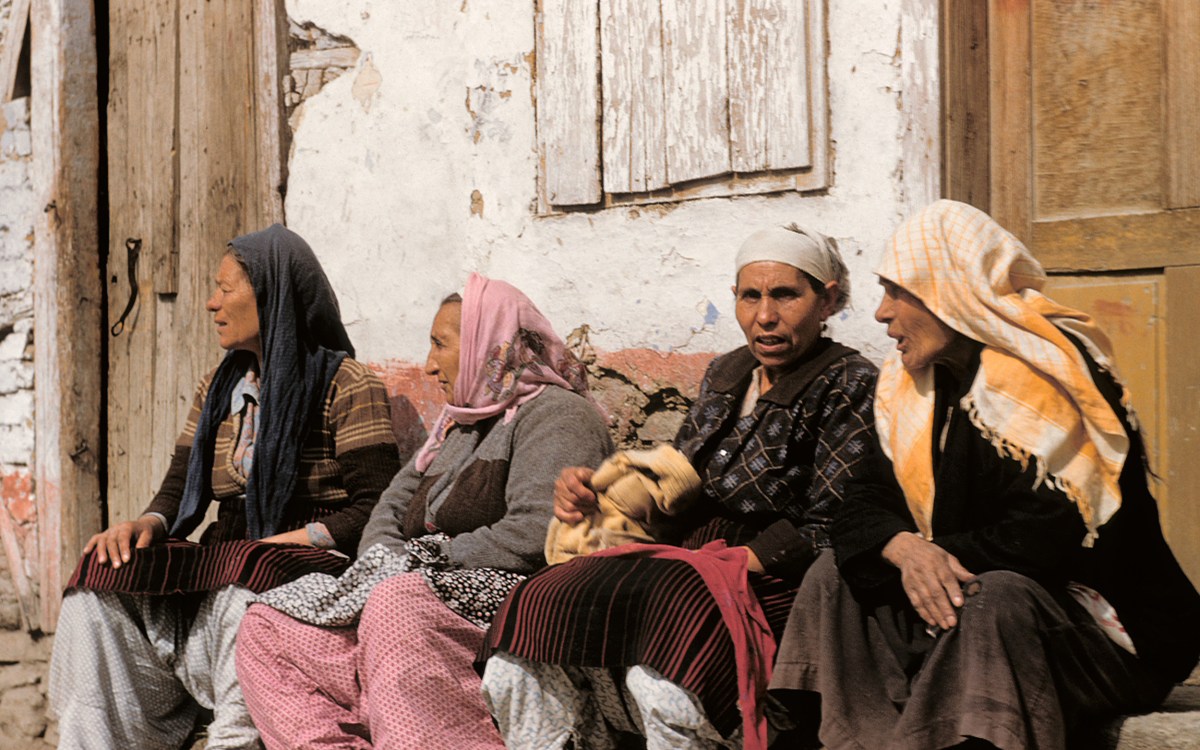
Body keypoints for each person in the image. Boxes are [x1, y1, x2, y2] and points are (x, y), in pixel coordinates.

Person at [769, 200, 1200, 749]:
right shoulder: (913, 387)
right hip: (967, 619)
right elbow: (860, 501)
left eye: (898, 291)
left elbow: (1046, 539)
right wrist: (903, 548)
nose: (881, 313)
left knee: (996, 596)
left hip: (1098, 635)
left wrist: (930, 555)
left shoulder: (1049, 376)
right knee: (834, 572)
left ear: (950, 290)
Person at [479, 224, 879, 750]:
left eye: (785, 295)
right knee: (538, 602)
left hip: (773, 572)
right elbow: (677, 480)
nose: (765, 316)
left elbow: (833, 525)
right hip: (685, 561)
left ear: (826, 300)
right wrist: (601, 498)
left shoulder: (848, 381)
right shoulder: (726, 373)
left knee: (670, 651)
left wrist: (730, 562)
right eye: (750, 296)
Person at [48, 225, 402, 749]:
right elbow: (177, 488)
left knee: (247, 585)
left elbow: (377, 509)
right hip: (230, 559)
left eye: (225, 288)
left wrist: (285, 543)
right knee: (99, 580)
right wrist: (145, 524)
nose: (212, 303)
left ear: (272, 296)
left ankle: (235, 739)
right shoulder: (218, 388)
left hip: (305, 566)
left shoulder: (349, 385)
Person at [234, 272, 613, 750]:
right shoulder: (458, 425)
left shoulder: (558, 415)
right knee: (269, 624)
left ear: (486, 343)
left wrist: (428, 560)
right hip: (414, 586)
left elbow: (536, 530)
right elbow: (390, 507)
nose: (430, 365)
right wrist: (388, 560)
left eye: (440, 344)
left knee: (397, 604)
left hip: (509, 596)